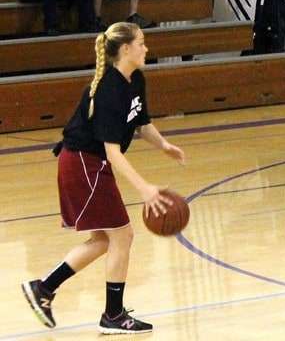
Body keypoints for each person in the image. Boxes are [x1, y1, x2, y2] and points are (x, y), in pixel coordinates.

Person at [21, 22, 185, 334]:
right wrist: (146, 189)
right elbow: (113, 153)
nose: (146, 48)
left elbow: (141, 121)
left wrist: (163, 145)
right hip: (84, 163)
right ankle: (113, 315)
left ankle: (44, 289)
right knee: (122, 235)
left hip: (87, 163)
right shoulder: (110, 89)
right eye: (141, 43)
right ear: (125, 50)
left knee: (104, 239)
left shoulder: (135, 79)